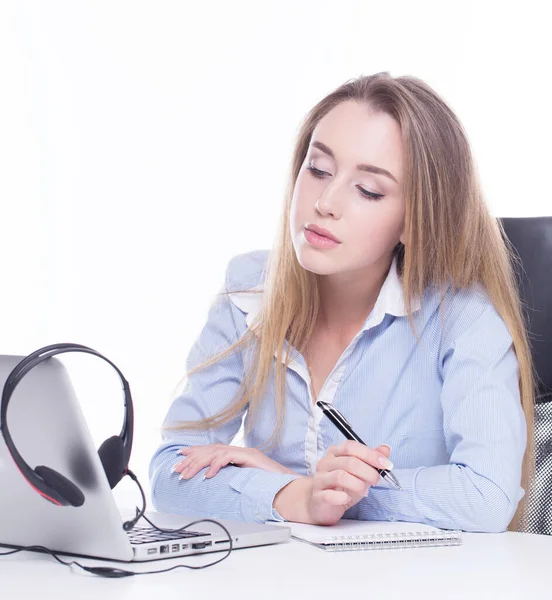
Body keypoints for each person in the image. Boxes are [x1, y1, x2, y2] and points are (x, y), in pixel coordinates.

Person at [149, 72, 536, 533]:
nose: (326, 202)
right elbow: (172, 473)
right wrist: (299, 495)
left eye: (368, 190)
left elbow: (486, 498)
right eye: (318, 170)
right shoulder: (249, 289)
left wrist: (314, 492)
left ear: (415, 222)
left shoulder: (462, 317)